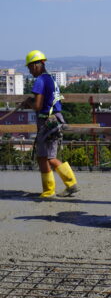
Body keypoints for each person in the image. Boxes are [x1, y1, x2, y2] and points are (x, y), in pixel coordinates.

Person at [22, 50, 79, 198]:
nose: (29, 70)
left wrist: (29, 102)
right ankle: (70, 184)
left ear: (36, 65)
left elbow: (38, 106)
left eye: (29, 67)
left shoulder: (40, 81)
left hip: (47, 121)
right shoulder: (51, 79)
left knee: (44, 156)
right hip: (56, 120)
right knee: (48, 156)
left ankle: (49, 191)